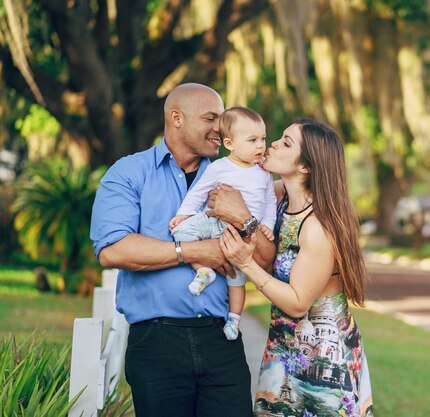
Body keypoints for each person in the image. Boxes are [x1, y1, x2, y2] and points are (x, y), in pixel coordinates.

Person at [90, 83, 274, 417]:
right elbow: (113, 250)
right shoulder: (128, 173)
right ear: (176, 118)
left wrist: (243, 216)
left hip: (223, 340)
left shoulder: (238, 175)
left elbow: (266, 260)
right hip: (157, 341)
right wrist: (194, 251)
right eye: (210, 118)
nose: (221, 127)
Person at [219, 119, 375, 417]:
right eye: (279, 138)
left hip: (322, 357)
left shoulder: (316, 226)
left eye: (286, 143)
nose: (273, 143)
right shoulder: (279, 198)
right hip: (284, 348)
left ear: (305, 166)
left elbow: (297, 302)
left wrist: (245, 264)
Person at [169, 106, 276, 340]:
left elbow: (270, 202)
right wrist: (184, 213)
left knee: (236, 280)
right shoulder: (219, 168)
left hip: (241, 235)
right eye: (252, 140)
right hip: (214, 224)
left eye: (263, 139)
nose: (260, 145)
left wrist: (266, 224)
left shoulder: (264, 173)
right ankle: (203, 270)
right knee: (180, 232)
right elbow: (199, 192)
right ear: (229, 144)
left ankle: (234, 319)